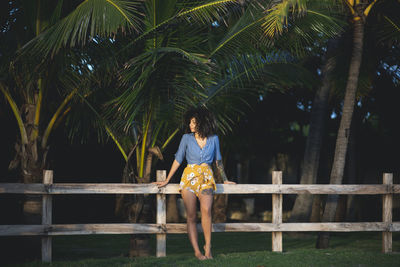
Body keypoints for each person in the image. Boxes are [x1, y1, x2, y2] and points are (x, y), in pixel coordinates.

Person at [153, 107, 236, 260]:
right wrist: (167, 180)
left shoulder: (214, 138)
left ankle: (208, 248)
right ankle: (197, 251)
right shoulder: (186, 138)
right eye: (190, 122)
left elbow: (218, 161)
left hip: (206, 177)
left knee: (206, 210)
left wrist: (224, 179)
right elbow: (178, 159)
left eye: (193, 122)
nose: (190, 125)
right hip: (189, 178)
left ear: (202, 122)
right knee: (191, 216)